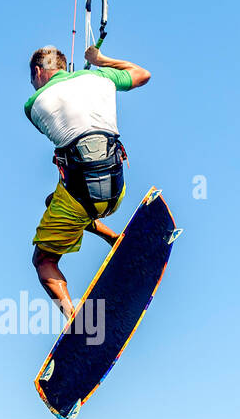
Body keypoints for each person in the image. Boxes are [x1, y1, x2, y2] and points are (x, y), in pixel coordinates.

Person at [25, 44, 151, 319]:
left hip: (81, 198)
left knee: (43, 260)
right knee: (52, 201)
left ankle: (72, 317)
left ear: (38, 71)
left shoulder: (33, 104)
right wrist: (100, 60)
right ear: (63, 67)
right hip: (116, 190)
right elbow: (143, 74)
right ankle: (113, 238)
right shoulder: (100, 77)